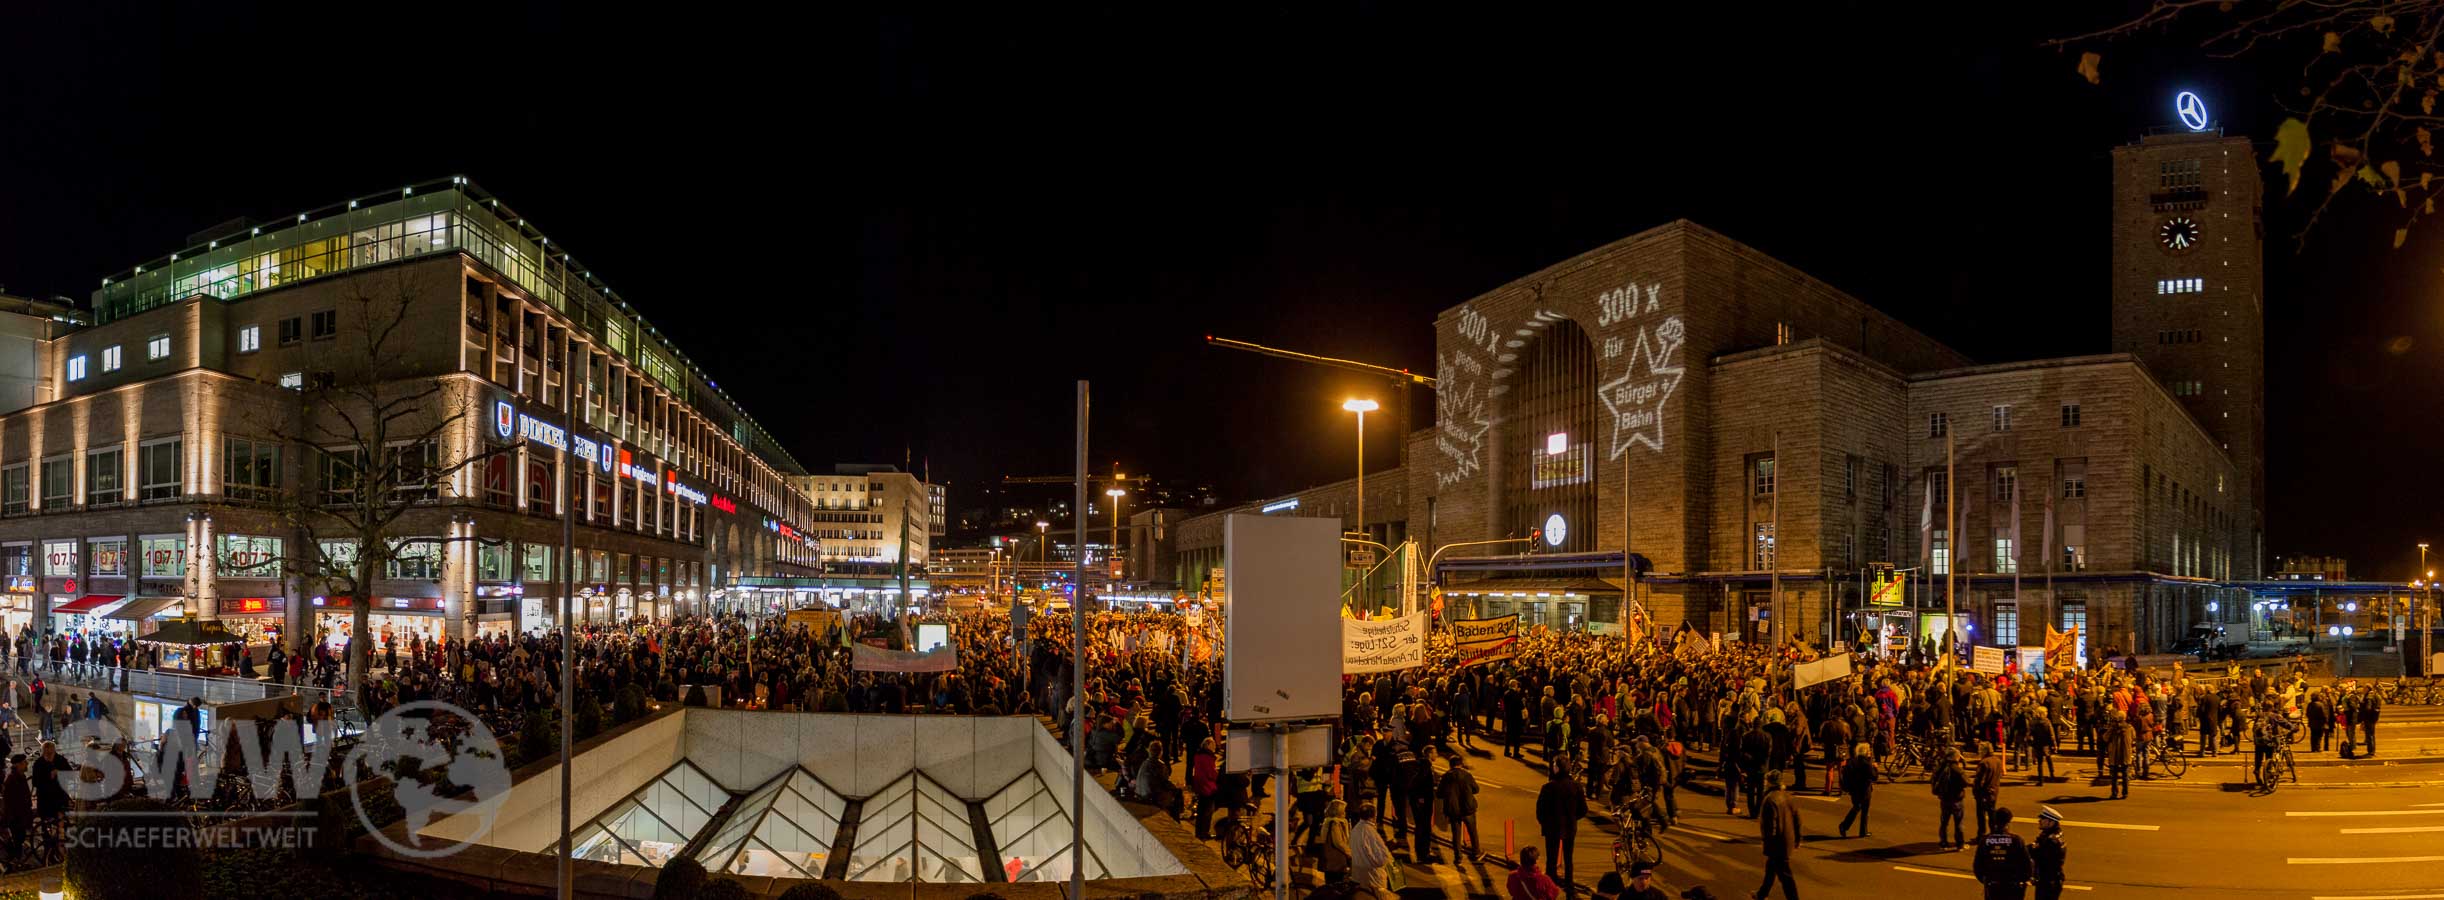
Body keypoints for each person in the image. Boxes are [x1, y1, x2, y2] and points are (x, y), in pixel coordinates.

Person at [1536, 761, 1586, 888]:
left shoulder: (1548, 787)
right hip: (1569, 827)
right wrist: (1573, 818)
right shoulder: (1576, 786)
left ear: (1557, 768)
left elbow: (1540, 810)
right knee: (1568, 858)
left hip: (1552, 828)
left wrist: (1545, 823)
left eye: (1554, 765)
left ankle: (1550, 884)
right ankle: (1569, 884)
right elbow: (1583, 809)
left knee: (1551, 858)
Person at [1754, 769, 1801, 900]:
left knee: (1785, 875)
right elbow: (1797, 820)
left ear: (1769, 782)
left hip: (1777, 844)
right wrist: (1798, 838)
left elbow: (1770, 826)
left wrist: (1767, 842)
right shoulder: (1788, 797)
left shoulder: (1770, 800)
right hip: (1787, 839)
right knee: (1771, 868)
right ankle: (1762, 894)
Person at [1971, 806, 2032, 900]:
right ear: (2008, 822)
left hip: (1993, 886)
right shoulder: (2016, 840)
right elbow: (2027, 864)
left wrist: (1985, 880)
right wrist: (2022, 881)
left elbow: (1977, 865)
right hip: (2012, 886)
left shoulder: (1985, 840)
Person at [1440, 747, 1482, 862]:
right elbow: (1476, 789)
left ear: (1450, 765)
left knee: (1456, 834)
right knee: (1472, 831)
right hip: (1468, 808)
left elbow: (1440, 793)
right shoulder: (1467, 775)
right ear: (1461, 764)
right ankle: (1476, 852)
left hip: (1453, 810)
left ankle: (1458, 856)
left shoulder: (1446, 776)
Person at [1348, 803, 1394, 900]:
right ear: (1373, 816)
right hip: (1373, 878)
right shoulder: (1370, 832)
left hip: (1358, 875)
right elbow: (1380, 859)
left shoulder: (1355, 829)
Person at [1837, 741, 1875, 838]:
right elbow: (1874, 776)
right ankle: (1863, 831)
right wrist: (1875, 768)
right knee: (1865, 810)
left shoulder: (1852, 761)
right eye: (1869, 751)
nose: (1870, 752)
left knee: (1856, 807)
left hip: (1854, 789)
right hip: (1865, 789)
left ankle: (1844, 826)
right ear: (1866, 752)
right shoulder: (1867, 764)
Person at [1932, 750, 1969, 850]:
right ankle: (1960, 844)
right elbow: (1966, 782)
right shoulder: (1957, 770)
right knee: (1958, 823)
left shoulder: (1941, 768)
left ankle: (1943, 843)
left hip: (1944, 799)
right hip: (1956, 800)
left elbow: (1934, 779)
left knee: (1944, 823)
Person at [2031, 806, 2069, 900]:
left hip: (2048, 882)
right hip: (2049, 880)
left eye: (2043, 819)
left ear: (2051, 822)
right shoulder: (2049, 835)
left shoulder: (2051, 841)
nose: (2039, 821)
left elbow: (2036, 854)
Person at [1972, 741, 2005, 837]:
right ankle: (1994, 833)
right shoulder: (1998, 761)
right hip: (1994, 791)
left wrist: (1976, 791)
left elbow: (1979, 780)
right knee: (1992, 813)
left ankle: (1981, 834)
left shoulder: (1984, 763)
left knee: (1981, 815)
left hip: (1983, 793)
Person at [1318, 798, 1353, 883]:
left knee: (1330, 882)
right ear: (1338, 811)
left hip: (1331, 860)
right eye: (1344, 810)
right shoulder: (1335, 823)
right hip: (1336, 860)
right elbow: (1338, 842)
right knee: (1336, 882)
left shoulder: (1328, 821)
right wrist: (1349, 853)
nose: (1345, 812)